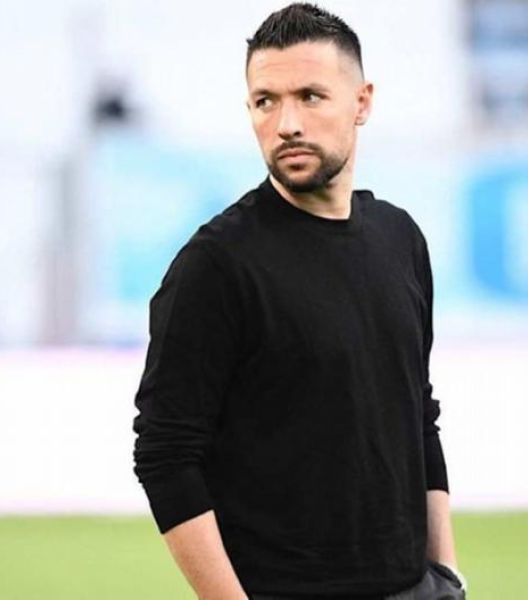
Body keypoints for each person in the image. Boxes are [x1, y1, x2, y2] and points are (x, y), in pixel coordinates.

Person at [132, 4, 467, 598]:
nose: (286, 123)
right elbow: (165, 454)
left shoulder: (400, 239)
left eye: (311, 96)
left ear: (361, 102)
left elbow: (418, 413)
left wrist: (447, 574)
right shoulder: (216, 265)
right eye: (266, 101)